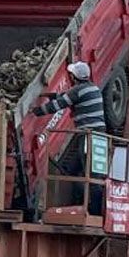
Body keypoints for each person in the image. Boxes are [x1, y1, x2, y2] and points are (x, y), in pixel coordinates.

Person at [31, 61, 106, 214]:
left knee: (88, 172)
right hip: (100, 135)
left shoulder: (78, 91)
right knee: (96, 172)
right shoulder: (93, 88)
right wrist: (50, 95)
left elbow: (58, 105)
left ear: (73, 76)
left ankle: (94, 210)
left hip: (87, 135)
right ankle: (98, 210)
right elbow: (67, 96)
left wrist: (35, 111)